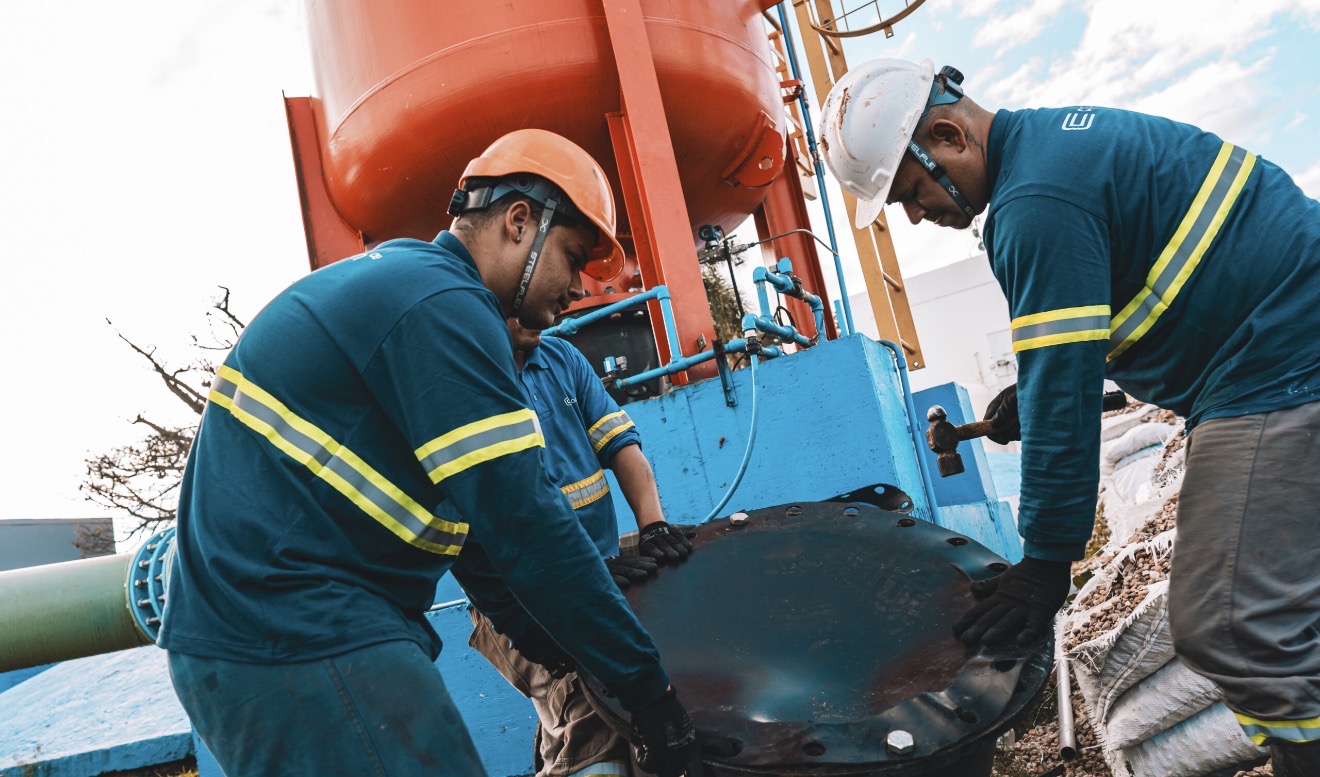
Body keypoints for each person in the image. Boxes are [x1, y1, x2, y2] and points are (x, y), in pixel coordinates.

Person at [818, 58, 1320, 774]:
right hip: (1274, 346)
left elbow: (1062, 392)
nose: (916, 215)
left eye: (911, 192)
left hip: (1280, 366)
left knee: (1231, 624)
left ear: (948, 136)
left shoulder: (1034, 205)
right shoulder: (1056, 152)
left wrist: (1046, 564)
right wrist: (1036, 397)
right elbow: (1115, 328)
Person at [158, 128, 700, 777]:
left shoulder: (416, 288)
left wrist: (569, 655)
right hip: (295, 628)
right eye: (573, 256)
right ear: (519, 222)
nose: (579, 287)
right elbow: (525, 522)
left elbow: (484, 548)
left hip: (273, 630)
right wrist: (650, 693)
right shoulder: (444, 305)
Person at [468, 318, 693, 777]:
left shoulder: (562, 359)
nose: (560, 305)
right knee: (590, 713)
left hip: (598, 576)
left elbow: (622, 445)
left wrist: (652, 525)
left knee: (620, 699)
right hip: (522, 597)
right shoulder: (470, 379)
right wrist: (571, 575)